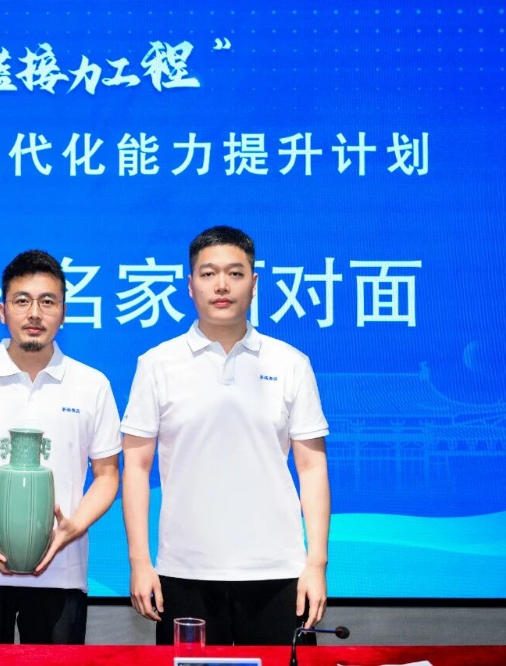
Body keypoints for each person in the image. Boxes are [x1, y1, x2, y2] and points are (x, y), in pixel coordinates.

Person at [121, 226, 331, 646]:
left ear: (254, 284)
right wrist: (140, 562)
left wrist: (316, 564)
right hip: (184, 571)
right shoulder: (157, 364)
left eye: (235, 273)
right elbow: (137, 468)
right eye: (208, 273)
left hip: (278, 571)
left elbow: (311, 467)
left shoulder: (290, 363)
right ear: (190, 285)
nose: (221, 285)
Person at [0, 249, 121, 644]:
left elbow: (107, 475)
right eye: (22, 301)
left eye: (47, 302)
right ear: (3, 311)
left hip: (62, 571)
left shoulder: (92, 384)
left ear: (63, 313)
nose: (34, 313)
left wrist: (73, 527)